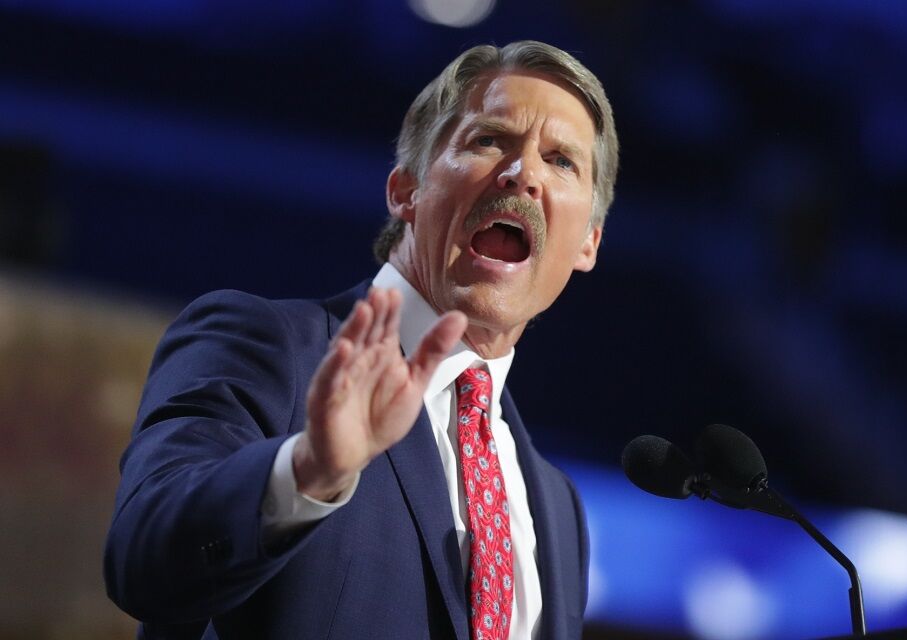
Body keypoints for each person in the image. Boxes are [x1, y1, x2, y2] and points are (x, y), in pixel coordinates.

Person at [104, 40, 619, 640]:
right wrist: (309, 472)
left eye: (561, 161)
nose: (524, 173)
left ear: (588, 243)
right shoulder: (266, 346)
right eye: (488, 140)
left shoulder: (558, 509)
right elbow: (142, 559)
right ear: (406, 190)